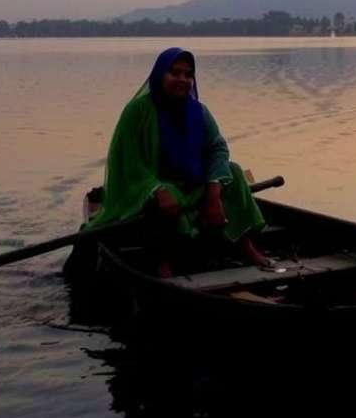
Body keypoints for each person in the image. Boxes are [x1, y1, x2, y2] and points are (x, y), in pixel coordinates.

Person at [85, 47, 269, 273]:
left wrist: (213, 192)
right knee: (165, 199)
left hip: (192, 186)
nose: (182, 79)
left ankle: (245, 245)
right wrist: (157, 189)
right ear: (160, 74)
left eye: (188, 74)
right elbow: (129, 162)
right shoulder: (137, 112)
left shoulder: (198, 112)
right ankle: (163, 262)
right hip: (150, 187)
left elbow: (218, 149)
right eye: (174, 73)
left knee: (235, 172)